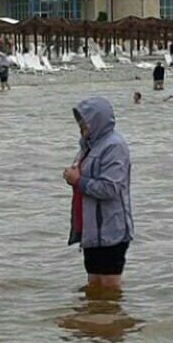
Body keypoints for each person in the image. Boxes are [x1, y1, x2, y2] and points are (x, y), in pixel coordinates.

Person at [63, 97, 133, 291]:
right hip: (92, 230)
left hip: (111, 230)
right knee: (94, 286)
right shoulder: (88, 146)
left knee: (109, 288)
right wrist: (73, 176)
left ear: (97, 121)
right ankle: (92, 320)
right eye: (79, 122)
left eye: (84, 123)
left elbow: (111, 187)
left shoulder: (114, 146)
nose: (81, 127)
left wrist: (78, 180)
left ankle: (112, 321)